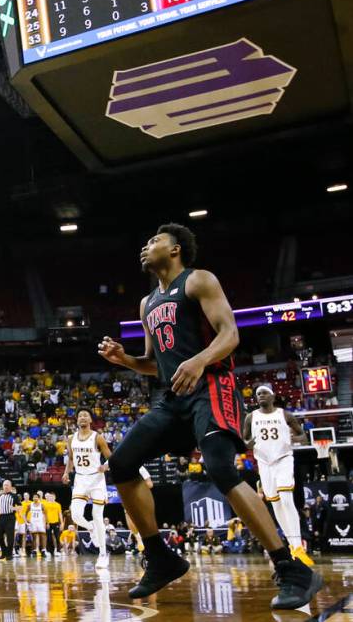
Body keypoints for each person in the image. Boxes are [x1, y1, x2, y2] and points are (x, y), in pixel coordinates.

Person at [98, 223, 321, 608]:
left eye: (155, 240)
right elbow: (156, 365)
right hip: (174, 397)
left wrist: (200, 361)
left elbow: (229, 334)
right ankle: (161, 557)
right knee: (121, 463)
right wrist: (125, 360)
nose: (146, 245)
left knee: (220, 469)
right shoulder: (147, 302)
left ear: (175, 249)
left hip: (212, 386)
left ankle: (290, 567)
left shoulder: (198, 280)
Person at [243, 385, 312, 566]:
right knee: (276, 505)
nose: (261, 396)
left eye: (264, 393)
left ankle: (298, 547)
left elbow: (303, 436)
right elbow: (244, 440)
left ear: (273, 396)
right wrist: (248, 444)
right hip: (264, 463)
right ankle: (292, 545)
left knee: (287, 499)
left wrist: (290, 439)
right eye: (258, 394)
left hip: (283, 459)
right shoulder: (251, 417)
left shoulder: (285, 415)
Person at [62, 408, 111, 569]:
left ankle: (103, 554)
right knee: (75, 515)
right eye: (80, 415)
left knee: (97, 516)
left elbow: (111, 458)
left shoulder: (98, 437)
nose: (82, 417)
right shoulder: (70, 438)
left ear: (91, 420)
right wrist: (66, 473)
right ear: (76, 420)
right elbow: (70, 458)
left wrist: (105, 466)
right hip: (81, 479)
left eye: (86, 415)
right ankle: (90, 528)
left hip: (97, 479)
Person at [0, 481, 17, 561]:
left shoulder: (14, 496)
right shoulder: (0, 497)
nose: (6, 486)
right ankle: (4, 551)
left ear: (10, 486)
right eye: (4, 485)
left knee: (9, 537)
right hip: (1, 517)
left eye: (7, 485)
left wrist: (14, 508)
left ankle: (9, 554)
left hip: (10, 517)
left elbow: (20, 507)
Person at [42, 492, 64, 558]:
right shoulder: (45, 504)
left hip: (56, 523)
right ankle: (49, 551)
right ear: (48, 497)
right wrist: (45, 523)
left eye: (52, 497)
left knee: (57, 537)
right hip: (48, 523)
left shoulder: (58, 505)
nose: (51, 498)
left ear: (55, 497)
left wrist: (62, 523)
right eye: (50, 497)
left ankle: (58, 550)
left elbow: (60, 514)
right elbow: (44, 515)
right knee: (48, 537)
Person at [28, 493, 47, 558]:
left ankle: (43, 550)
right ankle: (34, 550)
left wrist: (45, 523)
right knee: (34, 537)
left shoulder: (42, 505)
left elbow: (45, 514)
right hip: (33, 522)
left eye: (36, 497)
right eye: (34, 497)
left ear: (38, 498)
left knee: (42, 536)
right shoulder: (30, 505)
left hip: (40, 522)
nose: (35, 498)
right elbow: (25, 513)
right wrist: (26, 521)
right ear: (32, 498)